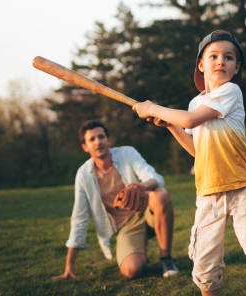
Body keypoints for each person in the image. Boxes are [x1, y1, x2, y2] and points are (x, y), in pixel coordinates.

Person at [132, 30, 246, 296]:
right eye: (213, 56)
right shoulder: (195, 103)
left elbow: (192, 121)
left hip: (240, 190)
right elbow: (196, 149)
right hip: (208, 192)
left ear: (236, 67)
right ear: (201, 65)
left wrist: (154, 108)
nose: (221, 62)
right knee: (205, 267)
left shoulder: (231, 91)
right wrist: (170, 124)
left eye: (229, 58)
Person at [53, 120, 179, 281]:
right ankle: (139, 254)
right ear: (85, 147)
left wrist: (140, 186)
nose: (98, 142)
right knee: (131, 270)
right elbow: (79, 219)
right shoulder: (83, 175)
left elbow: (154, 177)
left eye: (101, 137)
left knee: (160, 194)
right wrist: (69, 265)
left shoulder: (127, 153)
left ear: (108, 139)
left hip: (147, 211)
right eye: (92, 139)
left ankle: (166, 259)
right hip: (126, 226)